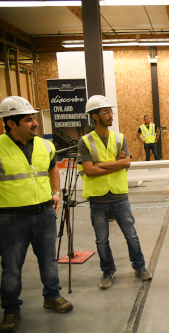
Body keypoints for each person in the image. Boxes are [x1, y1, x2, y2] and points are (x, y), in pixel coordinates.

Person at [0, 96, 73, 332]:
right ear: (11, 123)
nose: (35, 123)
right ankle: (11, 310)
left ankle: (52, 296)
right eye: (28, 120)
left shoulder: (45, 145)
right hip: (11, 218)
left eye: (34, 118)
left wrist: (55, 192)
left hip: (43, 214)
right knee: (11, 268)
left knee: (49, 260)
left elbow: (52, 167)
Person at [77, 95, 152, 289]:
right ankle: (107, 271)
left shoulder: (119, 138)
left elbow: (126, 163)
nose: (110, 115)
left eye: (110, 111)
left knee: (131, 235)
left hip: (119, 196)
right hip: (97, 198)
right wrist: (115, 165)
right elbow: (89, 170)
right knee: (102, 239)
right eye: (106, 112)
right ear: (94, 116)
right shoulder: (85, 142)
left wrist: (103, 164)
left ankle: (140, 266)